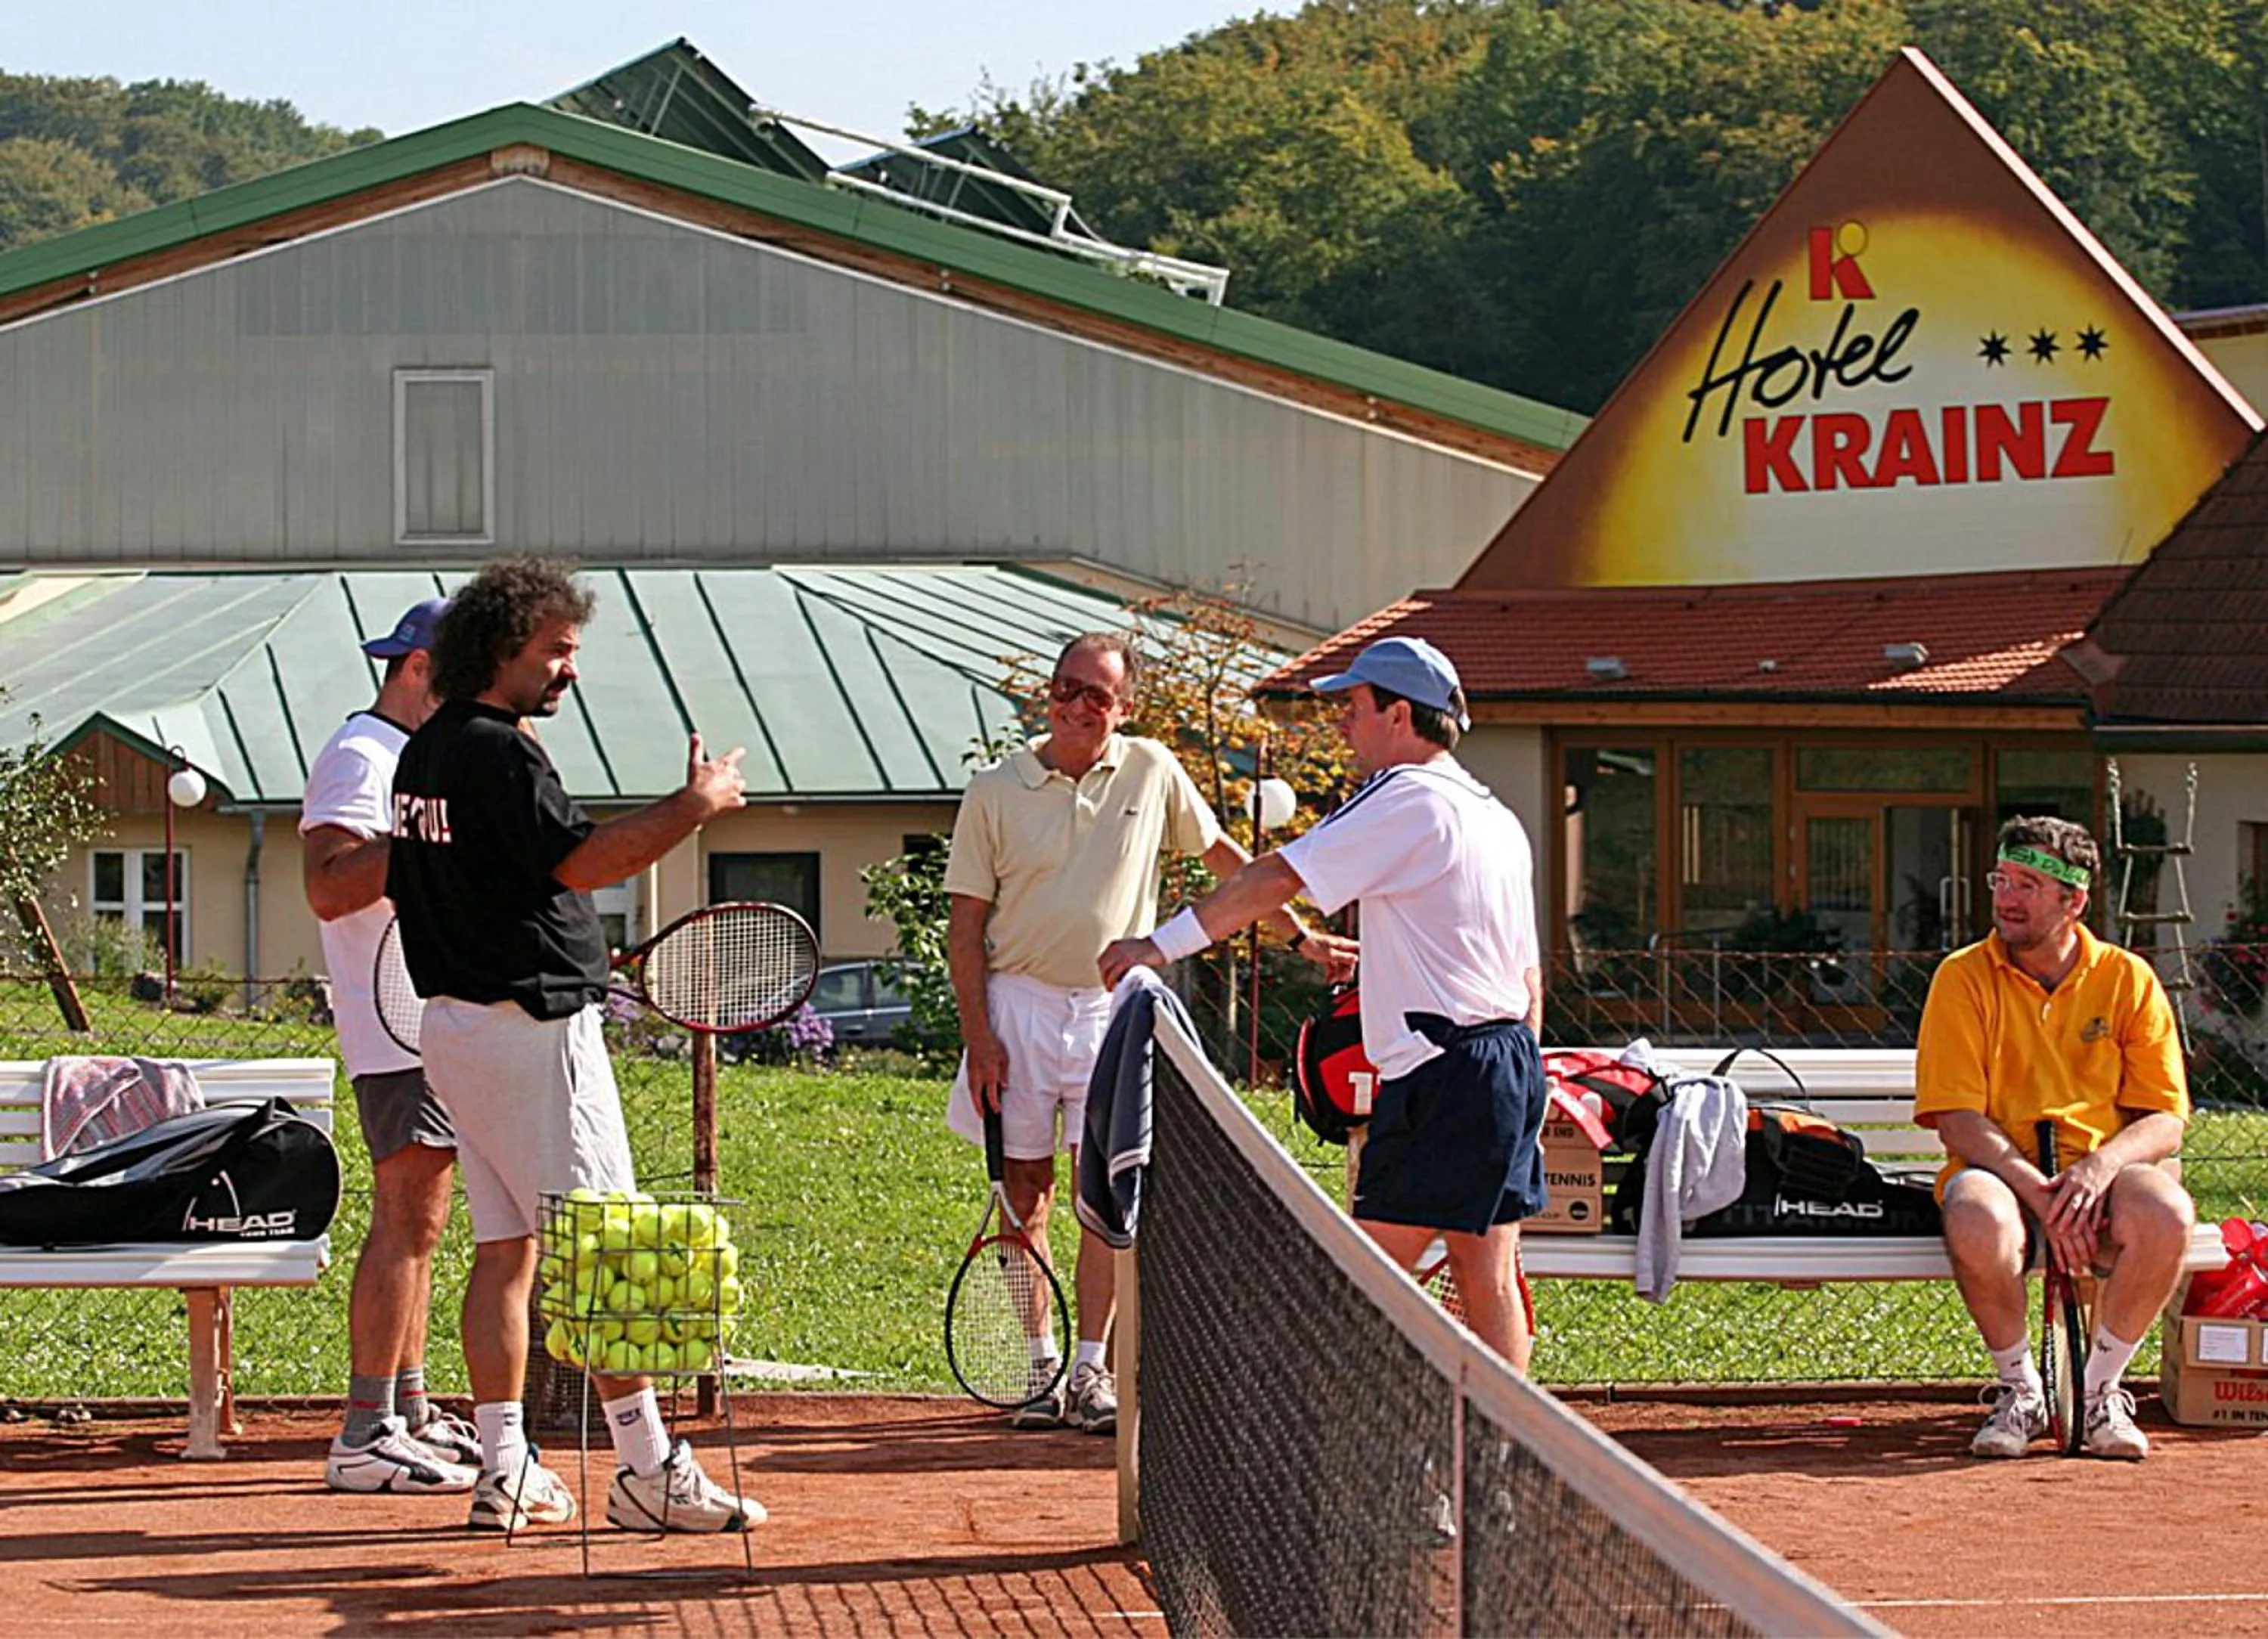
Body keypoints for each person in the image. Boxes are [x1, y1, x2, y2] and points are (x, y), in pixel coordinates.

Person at [386, 556, 759, 1533]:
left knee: (507, 1249)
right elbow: (585, 861)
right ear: (504, 648)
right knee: (607, 1251)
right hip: (531, 1032)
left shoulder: (425, 749)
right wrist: (698, 806)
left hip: (462, 1031)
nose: (569, 671)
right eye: (557, 651)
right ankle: (647, 1468)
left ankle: (505, 1469)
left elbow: (500, 882)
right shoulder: (500, 753)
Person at [1099, 636, 1546, 1370]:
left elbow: (1277, 876)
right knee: (1485, 1269)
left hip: (1448, 1076)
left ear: (1400, 714)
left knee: (1356, 1282)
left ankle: (1342, 1459)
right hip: (1502, 1067)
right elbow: (1530, 980)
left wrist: (1159, 945)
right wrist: (1517, 1074)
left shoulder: (1409, 795)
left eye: (1355, 705)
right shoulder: (1493, 812)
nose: (1343, 723)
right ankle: (1498, 1465)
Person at [943, 631, 1334, 1432]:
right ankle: (1039, 1363)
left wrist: (1302, 938)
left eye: (1096, 694)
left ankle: (1092, 1369)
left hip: (1111, 1010)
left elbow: (1232, 860)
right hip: (1015, 1007)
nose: (1076, 704)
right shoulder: (993, 788)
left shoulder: (1153, 768)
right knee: (1025, 1193)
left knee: (1105, 1194)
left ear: (1126, 707)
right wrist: (980, 1035)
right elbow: (964, 926)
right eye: (1065, 687)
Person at [1914, 816, 2194, 1462]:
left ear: (2074, 901)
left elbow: (2164, 1120)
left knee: (2167, 1210)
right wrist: (2044, 1198)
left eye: (2028, 885)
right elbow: (1957, 1119)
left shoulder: (2129, 979)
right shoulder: (1961, 977)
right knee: (1976, 1210)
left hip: (2105, 1177)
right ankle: (2021, 1392)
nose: (2006, 898)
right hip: (2004, 1177)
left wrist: (2097, 1171)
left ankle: (2099, 1395)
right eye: (2001, 880)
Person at [301, 596, 484, 1493]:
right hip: (392, 1027)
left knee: (425, 1221)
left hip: (435, 1018)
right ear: (418, 668)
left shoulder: (416, 757)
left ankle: (407, 1411)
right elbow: (329, 886)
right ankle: (365, 1428)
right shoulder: (360, 754)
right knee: (405, 1218)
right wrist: (421, 842)